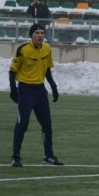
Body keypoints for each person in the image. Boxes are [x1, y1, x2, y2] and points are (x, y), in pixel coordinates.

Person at [9, 23, 62, 167]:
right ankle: (15, 156)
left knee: (47, 124)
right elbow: (12, 70)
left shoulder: (47, 49)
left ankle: (48, 156)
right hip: (25, 91)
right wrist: (13, 89)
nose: (40, 35)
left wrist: (53, 86)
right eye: (37, 33)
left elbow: (47, 70)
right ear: (31, 35)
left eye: (42, 33)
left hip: (40, 91)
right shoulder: (22, 50)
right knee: (22, 124)